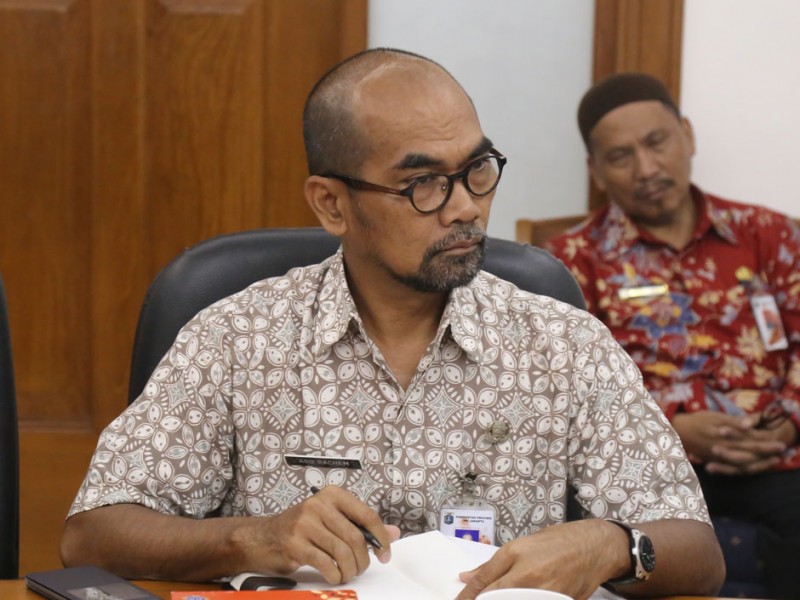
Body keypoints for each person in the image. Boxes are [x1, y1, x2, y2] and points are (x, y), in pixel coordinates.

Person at [61, 50, 723, 600]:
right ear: (331, 204)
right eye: (423, 184)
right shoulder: (237, 338)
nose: (465, 208)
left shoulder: (562, 344)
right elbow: (91, 536)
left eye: (478, 170)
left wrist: (613, 544)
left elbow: (698, 552)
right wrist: (249, 537)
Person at [547, 72, 800, 599]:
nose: (647, 169)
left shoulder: (768, 234)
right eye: (621, 156)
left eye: (657, 142)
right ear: (596, 171)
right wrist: (673, 428)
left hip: (773, 456)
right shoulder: (573, 261)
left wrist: (785, 427)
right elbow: (567, 383)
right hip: (649, 467)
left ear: (687, 135)